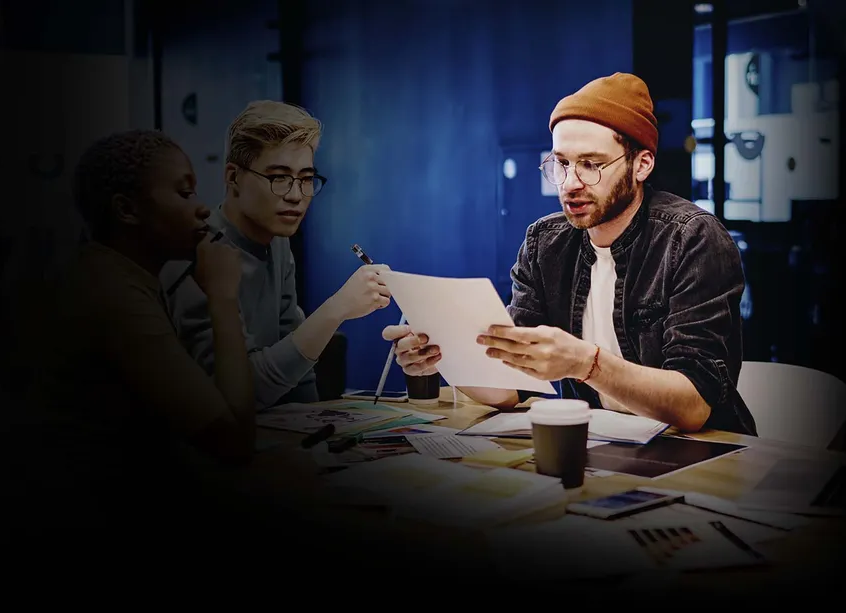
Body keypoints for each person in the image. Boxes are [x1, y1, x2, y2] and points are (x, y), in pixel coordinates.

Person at [383, 73, 756, 434]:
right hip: (601, 447)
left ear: (641, 164)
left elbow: (694, 407)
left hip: (701, 450)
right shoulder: (545, 243)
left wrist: (586, 363)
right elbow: (514, 386)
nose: (570, 184)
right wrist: (445, 356)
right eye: (561, 163)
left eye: (591, 165)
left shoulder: (691, 238)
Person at [24, 129, 258, 536]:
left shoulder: (109, 272)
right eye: (184, 194)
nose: (202, 209)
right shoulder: (113, 294)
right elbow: (233, 443)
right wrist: (222, 298)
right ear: (127, 210)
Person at [161, 101, 390, 410]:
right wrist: (337, 308)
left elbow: (299, 373)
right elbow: (240, 395)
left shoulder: (277, 242)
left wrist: (319, 430)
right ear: (233, 177)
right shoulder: (196, 254)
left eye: (306, 179)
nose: (295, 195)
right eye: (278, 178)